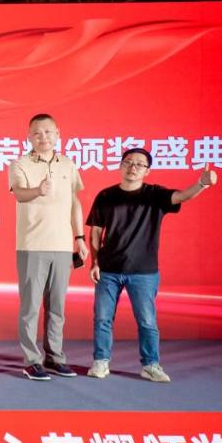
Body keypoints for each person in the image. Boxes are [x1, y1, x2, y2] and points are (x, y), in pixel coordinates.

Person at [86, 149, 216, 382]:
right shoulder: (106, 196)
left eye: (139, 164)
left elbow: (181, 196)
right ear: (120, 165)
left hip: (143, 272)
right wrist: (94, 262)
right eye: (128, 162)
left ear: (147, 171)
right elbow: (95, 232)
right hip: (108, 270)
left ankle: (150, 365)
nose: (133, 167)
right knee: (102, 319)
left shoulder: (154, 194)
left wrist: (202, 185)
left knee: (147, 321)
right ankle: (101, 361)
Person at [9, 113, 90, 381]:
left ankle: (55, 357)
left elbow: (74, 202)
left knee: (57, 307)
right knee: (31, 307)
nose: (43, 137)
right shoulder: (19, 164)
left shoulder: (67, 164)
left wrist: (80, 237)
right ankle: (32, 361)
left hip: (63, 245)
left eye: (48, 132)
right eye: (37, 133)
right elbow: (19, 194)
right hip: (32, 245)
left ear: (58, 133)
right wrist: (38, 190)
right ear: (28, 136)